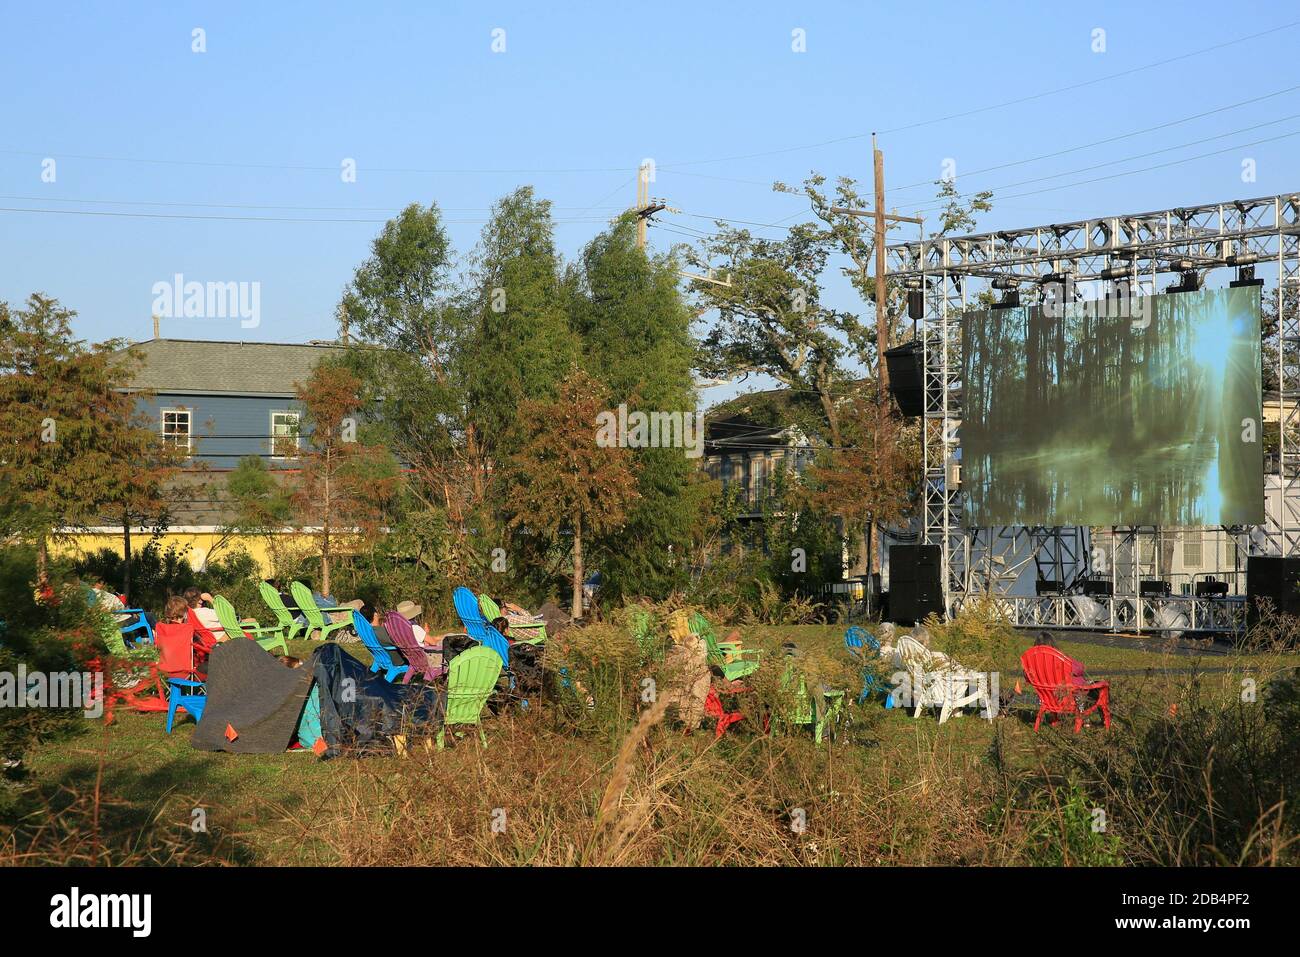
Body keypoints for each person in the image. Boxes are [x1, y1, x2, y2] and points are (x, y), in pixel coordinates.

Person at [155, 596, 206, 679]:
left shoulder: (161, 628)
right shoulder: (187, 629)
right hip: (186, 672)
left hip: (164, 671)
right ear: (185, 613)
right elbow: (201, 651)